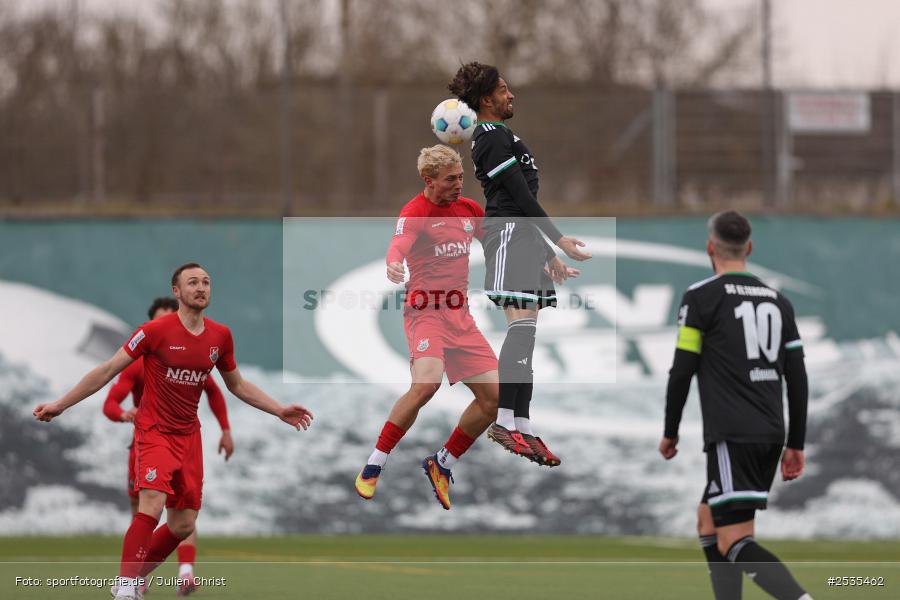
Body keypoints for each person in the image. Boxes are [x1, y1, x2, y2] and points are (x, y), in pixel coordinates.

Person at [34, 263, 313, 600]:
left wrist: (279, 409)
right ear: (177, 291)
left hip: (189, 436)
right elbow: (107, 369)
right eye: (192, 282)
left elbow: (236, 385)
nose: (201, 287)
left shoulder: (220, 336)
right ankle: (124, 588)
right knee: (151, 505)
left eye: (206, 282)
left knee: (183, 525)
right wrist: (61, 404)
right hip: (154, 432)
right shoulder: (153, 331)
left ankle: (135, 578)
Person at [354, 145, 575, 510]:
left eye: (461, 177)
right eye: (451, 179)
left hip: (461, 318)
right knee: (426, 385)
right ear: (429, 181)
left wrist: (549, 257)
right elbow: (399, 244)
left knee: (494, 399)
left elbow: (504, 238)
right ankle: (375, 462)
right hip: (425, 314)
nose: (459, 184)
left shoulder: (468, 210)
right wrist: (394, 264)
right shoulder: (415, 212)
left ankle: (442, 463)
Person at [659, 211, 813, 600]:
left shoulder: (701, 297)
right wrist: (796, 442)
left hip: (733, 433)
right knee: (708, 519)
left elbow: (682, 371)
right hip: (769, 431)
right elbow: (797, 377)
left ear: (710, 247)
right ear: (750, 248)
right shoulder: (779, 301)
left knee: (734, 541)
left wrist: (670, 431)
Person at [448, 62, 592, 466]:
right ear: (485, 99)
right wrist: (557, 238)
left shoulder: (504, 135)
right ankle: (506, 421)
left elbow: (521, 200)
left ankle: (522, 424)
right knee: (521, 324)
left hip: (523, 236)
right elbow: (519, 199)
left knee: (526, 330)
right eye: (504, 89)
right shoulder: (489, 137)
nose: (511, 95)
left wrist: (549, 256)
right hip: (509, 233)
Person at [103, 296, 233, 597]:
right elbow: (110, 400)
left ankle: (179, 572)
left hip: (185, 438)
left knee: (183, 516)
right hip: (150, 438)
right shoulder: (139, 361)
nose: (172, 325)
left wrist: (226, 429)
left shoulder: (198, 351)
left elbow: (218, 390)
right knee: (146, 508)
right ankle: (130, 580)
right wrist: (124, 415)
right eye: (163, 320)